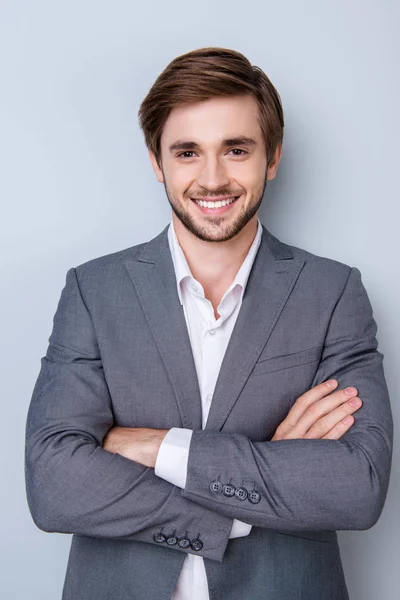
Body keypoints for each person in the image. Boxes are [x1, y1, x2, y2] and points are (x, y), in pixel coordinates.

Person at [25, 47, 393, 600]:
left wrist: (158, 448)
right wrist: (254, 488)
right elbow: (53, 485)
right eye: (188, 152)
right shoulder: (95, 291)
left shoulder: (332, 292)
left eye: (236, 149)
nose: (213, 178)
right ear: (157, 161)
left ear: (272, 157)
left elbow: (356, 486)